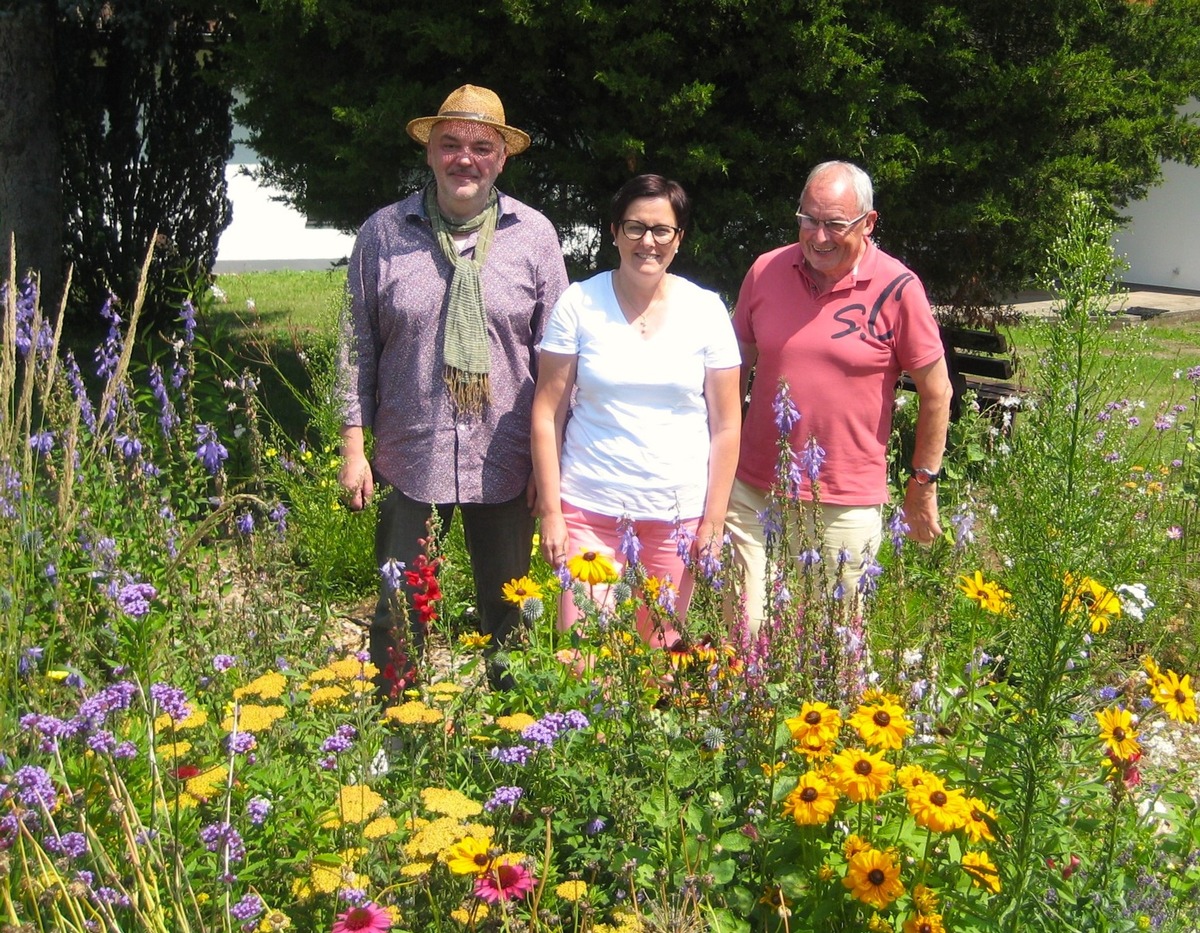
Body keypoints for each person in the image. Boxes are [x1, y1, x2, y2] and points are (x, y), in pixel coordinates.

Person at [338, 84, 569, 694]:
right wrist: (353, 448)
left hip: (506, 454)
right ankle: (397, 728)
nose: (464, 158)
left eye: (480, 146)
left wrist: (547, 466)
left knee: (509, 612)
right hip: (409, 454)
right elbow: (357, 346)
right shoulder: (383, 234)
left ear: (501, 158)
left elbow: (558, 365)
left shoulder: (536, 236)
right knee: (400, 606)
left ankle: (514, 738)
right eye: (450, 144)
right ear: (430, 153)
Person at [726, 160, 952, 635]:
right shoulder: (766, 270)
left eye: (835, 224)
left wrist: (923, 484)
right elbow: (732, 367)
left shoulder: (898, 288)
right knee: (742, 639)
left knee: (830, 648)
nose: (819, 236)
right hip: (751, 491)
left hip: (843, 503)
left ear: (868, 223)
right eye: (809, 219)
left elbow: (937, 393)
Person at [531, 174, 742, 646]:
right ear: (614, 231)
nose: (648, 241)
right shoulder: (579, 304)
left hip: (677, 518)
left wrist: (712, 520)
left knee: (660, 657)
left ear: (679, 238)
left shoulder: (706, 311)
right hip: (589, 512)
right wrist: (551, 511)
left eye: (661, 230)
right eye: (634, 227)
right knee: (585, 658)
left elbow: (727, 426)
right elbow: (547, 414)